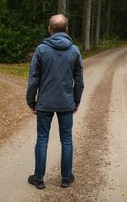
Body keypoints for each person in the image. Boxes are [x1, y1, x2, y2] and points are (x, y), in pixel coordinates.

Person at [26, 14, 84, 189]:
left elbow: (33, 79)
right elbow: (79, 81)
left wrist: (31, 101)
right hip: (66, 103)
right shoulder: (74, 50)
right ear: (66, 30)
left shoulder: (41, 50)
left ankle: (39, 179)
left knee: (42, 139)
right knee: (66, 139)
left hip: (44, 103)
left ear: (50, 29)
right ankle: (66, 178)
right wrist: (76, 101)